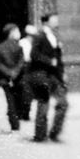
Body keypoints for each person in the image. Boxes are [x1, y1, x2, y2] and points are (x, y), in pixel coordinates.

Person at [27, 13, 68, 142]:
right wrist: (49, 61)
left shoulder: (55, 36)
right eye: (54, 19)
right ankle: (40, 135)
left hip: (54, 76)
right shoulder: (39, 36)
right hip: (41, 75)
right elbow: (33, 54)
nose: (57, 21)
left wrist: (62, 74)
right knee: (43, 104)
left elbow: (59, 59)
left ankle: (54, 132)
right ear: (46, 22)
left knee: (63, 103)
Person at [0, 23, 26, 131]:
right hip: (17, 79)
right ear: (11, 33)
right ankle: (15, 119)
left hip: (5, 79)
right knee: (17, 100)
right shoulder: (19, 47)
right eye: (17, 31)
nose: (19, 34)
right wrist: (15, 73)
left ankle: (14, 123)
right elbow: (21, 62)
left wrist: (8, 73)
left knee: (10, 100)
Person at [18, 24, 38, 122]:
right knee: (26, 91)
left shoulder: (35, 43)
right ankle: (24, 112)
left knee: (30, 91)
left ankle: (26, 112)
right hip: (24, 67)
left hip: (33, 67)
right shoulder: (22, 43)